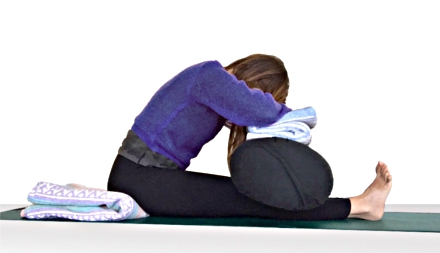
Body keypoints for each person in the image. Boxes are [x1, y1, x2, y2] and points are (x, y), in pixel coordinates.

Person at [107, 54, 392, 221]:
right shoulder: (210, 76)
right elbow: (261, 110)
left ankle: (362, 204)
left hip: (148, 178)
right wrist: (288, 113)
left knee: (252, 197)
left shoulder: (211, 87)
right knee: (257, 203)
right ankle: (362, 205)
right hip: (141, 179)